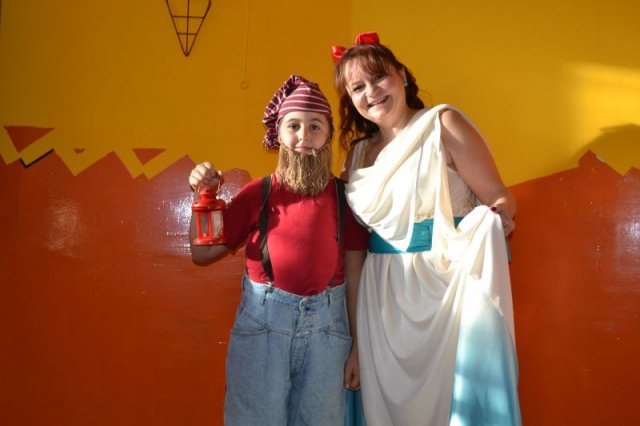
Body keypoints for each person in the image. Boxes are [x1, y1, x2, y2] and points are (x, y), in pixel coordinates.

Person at [331, 32, 522, 425]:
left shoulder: (443, 123)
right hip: (381, 300)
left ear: (401, 75)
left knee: (453, 404)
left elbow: (498, 196)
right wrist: (356, 342)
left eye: (379, 77)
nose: (372, 92)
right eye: (357, 88)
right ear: (351, 100)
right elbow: (354, 253)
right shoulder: (356, 155)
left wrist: (495, 220)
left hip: (446, 293)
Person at [187, 75, 369, 425]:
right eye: (294, 126)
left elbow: (356, 277)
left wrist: (358, 348)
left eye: (315, 126)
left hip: (328, 335)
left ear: (329, 135)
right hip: (263, 329)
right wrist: (204, 197)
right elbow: (202, 254)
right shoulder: (258, 193)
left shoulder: (345, 198)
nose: (304, 136)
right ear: (279, 134)